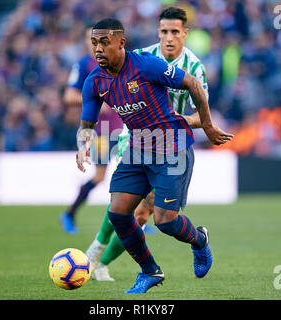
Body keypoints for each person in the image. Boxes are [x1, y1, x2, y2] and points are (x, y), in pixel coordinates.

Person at [76, 18, 233, 294]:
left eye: (104, 42)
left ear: (121, 42)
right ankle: (150, 271)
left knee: (165, 221)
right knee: (118, 213)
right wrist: (83, 145)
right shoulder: (94, 82)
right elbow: (87, 124)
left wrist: (207, 126)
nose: (98, 49)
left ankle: (199, 239)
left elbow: (194, 84)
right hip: (138, 148)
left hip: (172, 147)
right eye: (94, 43)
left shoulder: (146, 65)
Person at [60, 27, 122, 234]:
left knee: (135, 172)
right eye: (90, 39)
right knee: (100, 176)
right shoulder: (83, 65)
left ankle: (138, 219)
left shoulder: (117, 60)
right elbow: (69, 96)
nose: (95, 43)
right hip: (100, 130)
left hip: (123, 127)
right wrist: (94, 99)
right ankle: (69, 213)